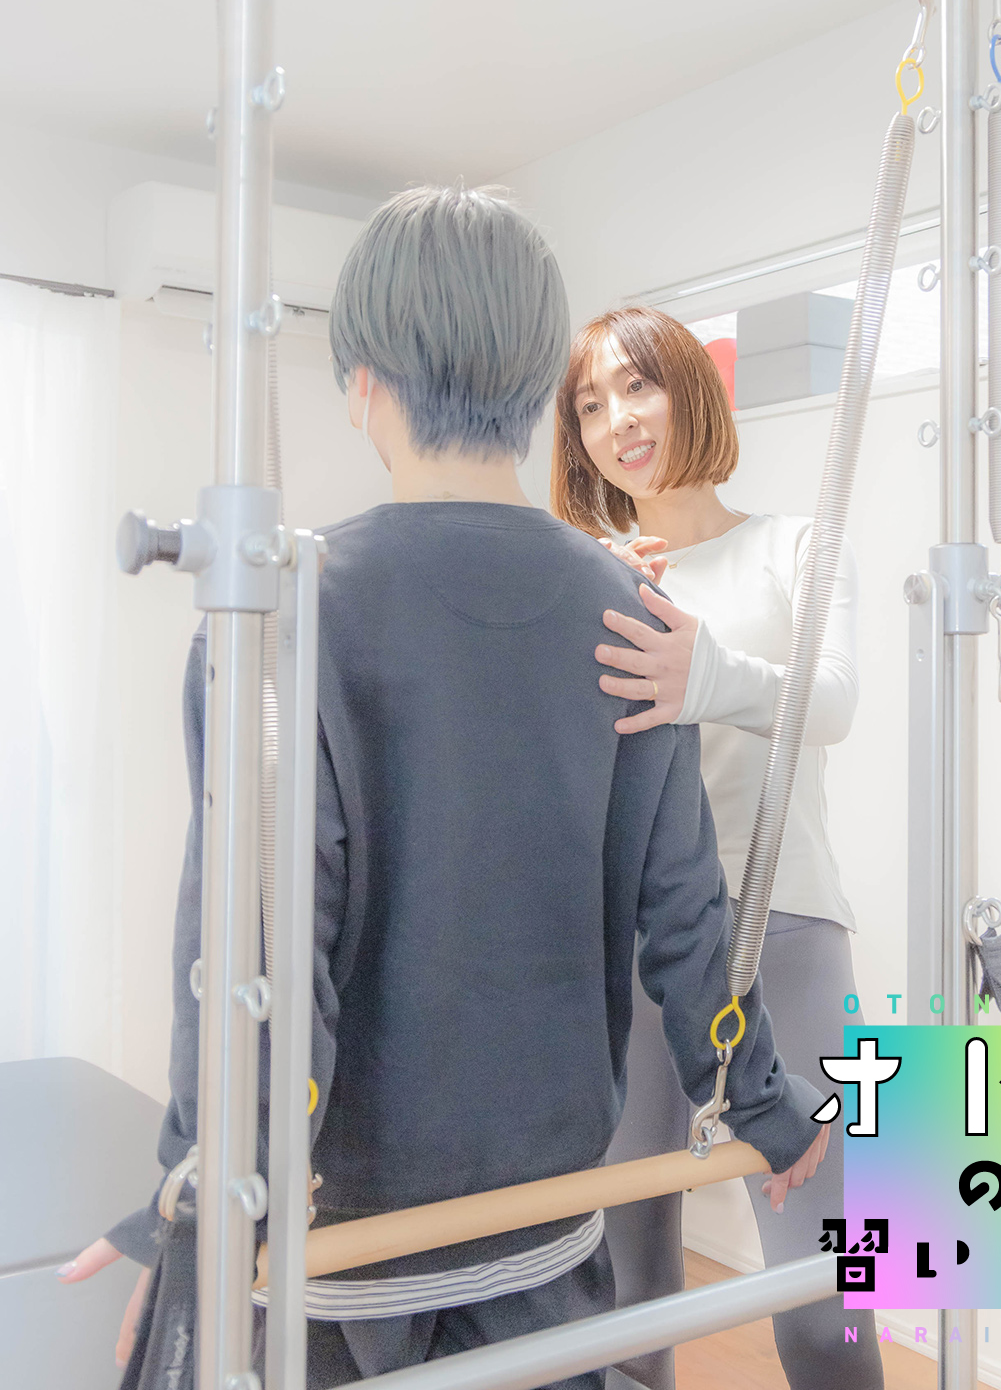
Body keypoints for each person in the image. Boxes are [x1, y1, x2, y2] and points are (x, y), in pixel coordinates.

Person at [59, 189, 829, 1389]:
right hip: (548, 1226)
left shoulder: (281, 617)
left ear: (362, 382)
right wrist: (764, 1108)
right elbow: (689, 917)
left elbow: (261, 954)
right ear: (539, 392)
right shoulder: (637, 614)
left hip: (350, 1247)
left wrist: (198, 1193)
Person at [552, 305, 884, 1390]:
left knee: (824, 1289)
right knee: (625, 1279)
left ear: (689, 390)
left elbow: (830, 702)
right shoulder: (593, 575)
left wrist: (705, 672)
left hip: (784, 925)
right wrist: (596, 602)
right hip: (639, 946)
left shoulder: (795, 546)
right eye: (590, 405)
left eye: (636, 386)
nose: (616, 420)